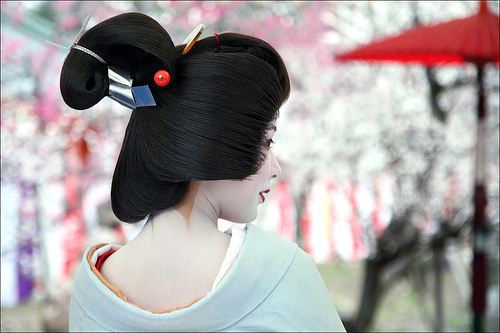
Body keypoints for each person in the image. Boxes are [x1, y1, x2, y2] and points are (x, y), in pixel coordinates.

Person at [59, 12, 346, 332]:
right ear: (214, 142)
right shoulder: (282, 272)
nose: (275, 168)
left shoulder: (90, 289)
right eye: (267, 141)